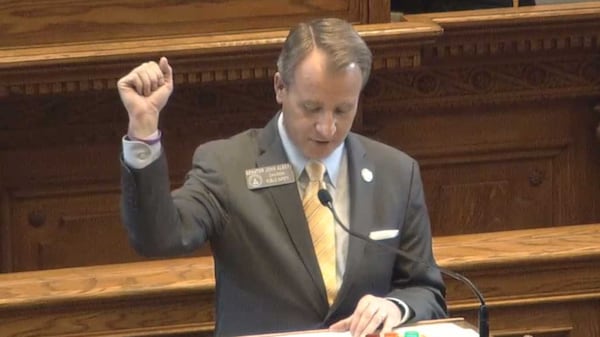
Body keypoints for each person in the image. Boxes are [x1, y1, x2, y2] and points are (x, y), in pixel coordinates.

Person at [118, 18, 447, 337]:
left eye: (343, 110)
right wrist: (144, 131)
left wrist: (395, 307)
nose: (327, 128)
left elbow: (424, 289)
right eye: (312, 108)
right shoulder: (227, 166)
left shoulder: (396, 173)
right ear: (279, 87)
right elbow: (157, 237)